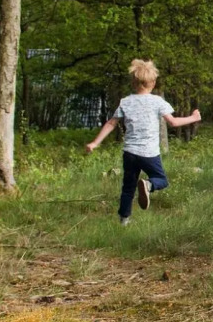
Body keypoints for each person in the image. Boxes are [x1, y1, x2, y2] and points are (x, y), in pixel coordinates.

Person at [85, 59, 201, 223]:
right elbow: (173, 122)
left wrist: (95, 143)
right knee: (161, 180)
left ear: (133, 83)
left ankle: (124, 220)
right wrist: (193, 117)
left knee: (128, 187)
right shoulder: (157, 101)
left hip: (130, 153)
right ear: (153, 83)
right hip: (149, 153)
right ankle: (148, 185)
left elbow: (111, 123)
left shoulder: (125, 102)